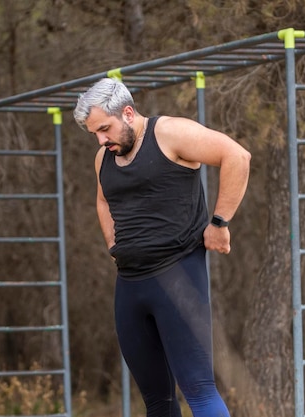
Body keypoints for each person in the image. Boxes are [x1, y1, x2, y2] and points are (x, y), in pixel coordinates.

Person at [73, 78, 251, 417]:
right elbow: (102, 200)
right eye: (94, 133)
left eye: (105, 129)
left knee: (198, 390)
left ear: (127, 112)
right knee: (157, 401)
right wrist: (115, 245)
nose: (101, 140)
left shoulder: (170, 134)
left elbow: (237, 156)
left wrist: (219, 223)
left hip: (179, 276)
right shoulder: (103, 158)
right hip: (129, 285)